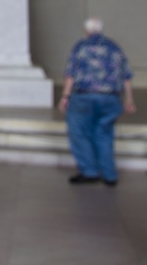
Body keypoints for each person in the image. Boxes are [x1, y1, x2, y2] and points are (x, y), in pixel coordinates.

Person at [58, 18, 136, 186]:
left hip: (84, 96)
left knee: (79, 133)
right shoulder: (115, 47)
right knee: (105, 135)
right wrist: (129, 99)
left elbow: (70, 74)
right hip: (111, 97)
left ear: (86, 31)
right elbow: (126, 76)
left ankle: (89, 171)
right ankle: (109, 175)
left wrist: (65, 96)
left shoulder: (80, 47)